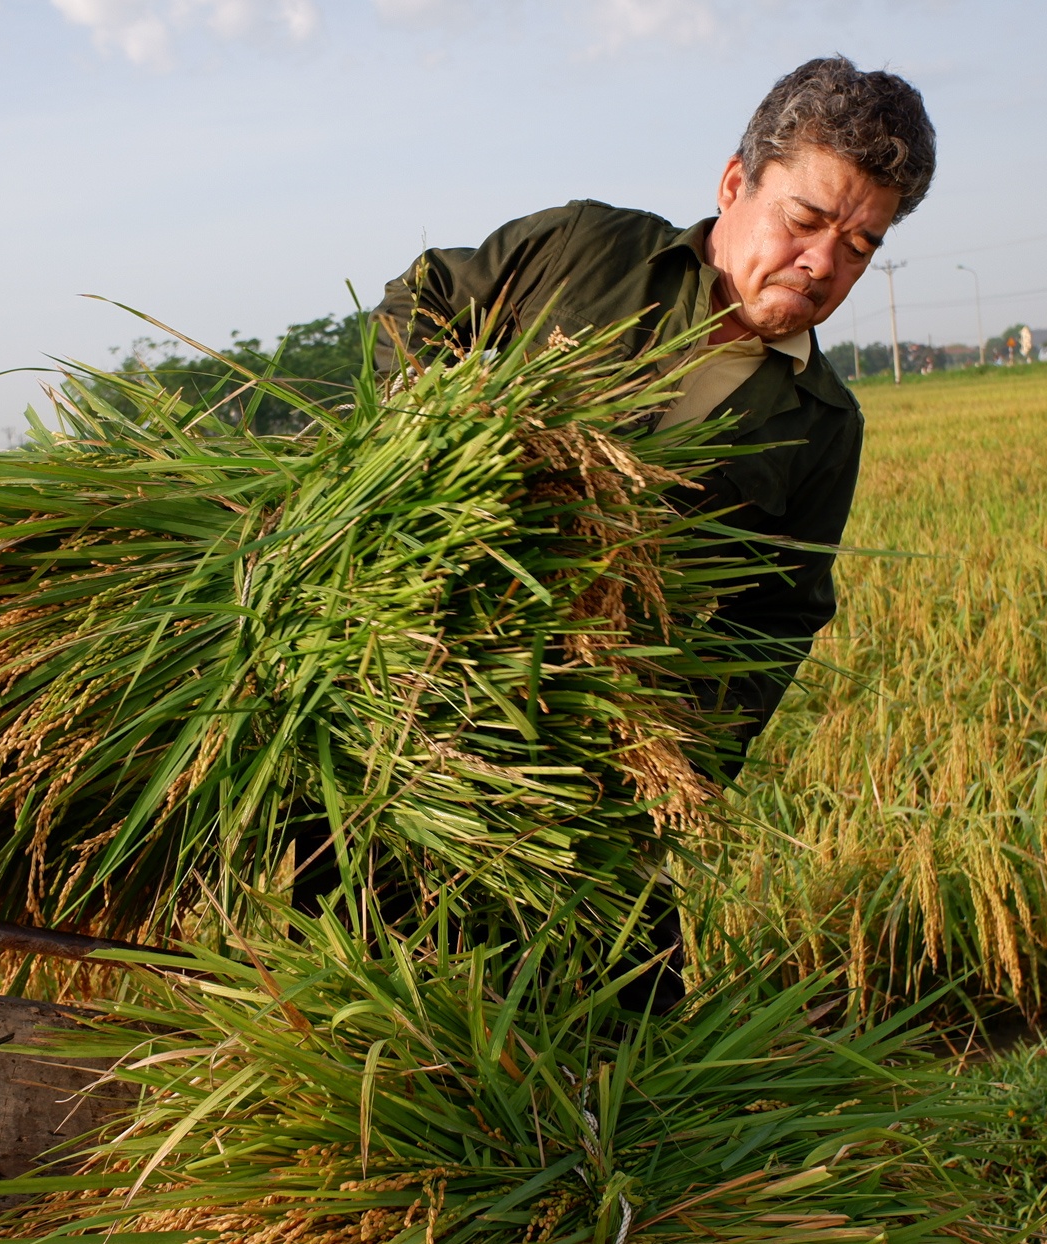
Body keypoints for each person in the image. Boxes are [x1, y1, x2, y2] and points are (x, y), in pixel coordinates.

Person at [364, 56, 937, 1008]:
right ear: (733, 185)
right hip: (400, 707)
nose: (823, 263)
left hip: (579, 769)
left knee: (620, 1023)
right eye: (804, 220)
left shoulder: (822, 425)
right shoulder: (586, 251)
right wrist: (438, 441)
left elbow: (779, 616)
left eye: (861, 245)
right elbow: (419, 299)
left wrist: (672, 766)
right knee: (383, 995)